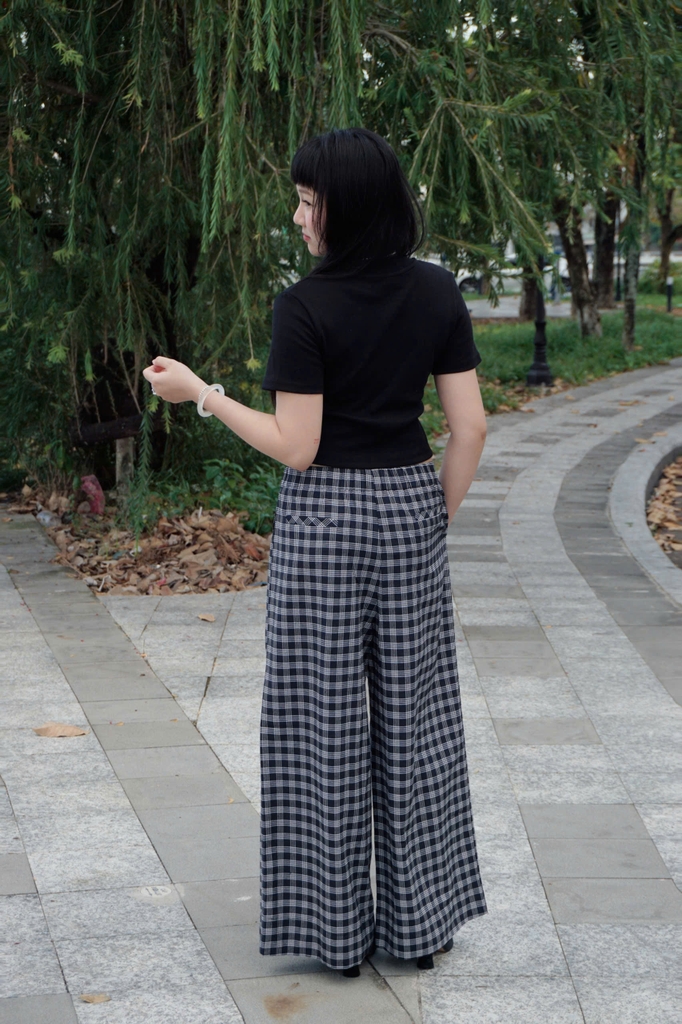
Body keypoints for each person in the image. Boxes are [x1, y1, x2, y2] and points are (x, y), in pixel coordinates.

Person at [143, 126, 488, 977]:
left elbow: (297, 447)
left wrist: (202, 394)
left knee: (318, 722)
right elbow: (471, 428)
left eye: (307, 202)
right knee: (419, 721)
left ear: (348, 209)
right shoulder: (436, 291)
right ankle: (420, 927)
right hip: (409, 505)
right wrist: (428, 519)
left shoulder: (304, 306)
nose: (298, 217)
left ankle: (332, 935)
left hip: (326, 519)